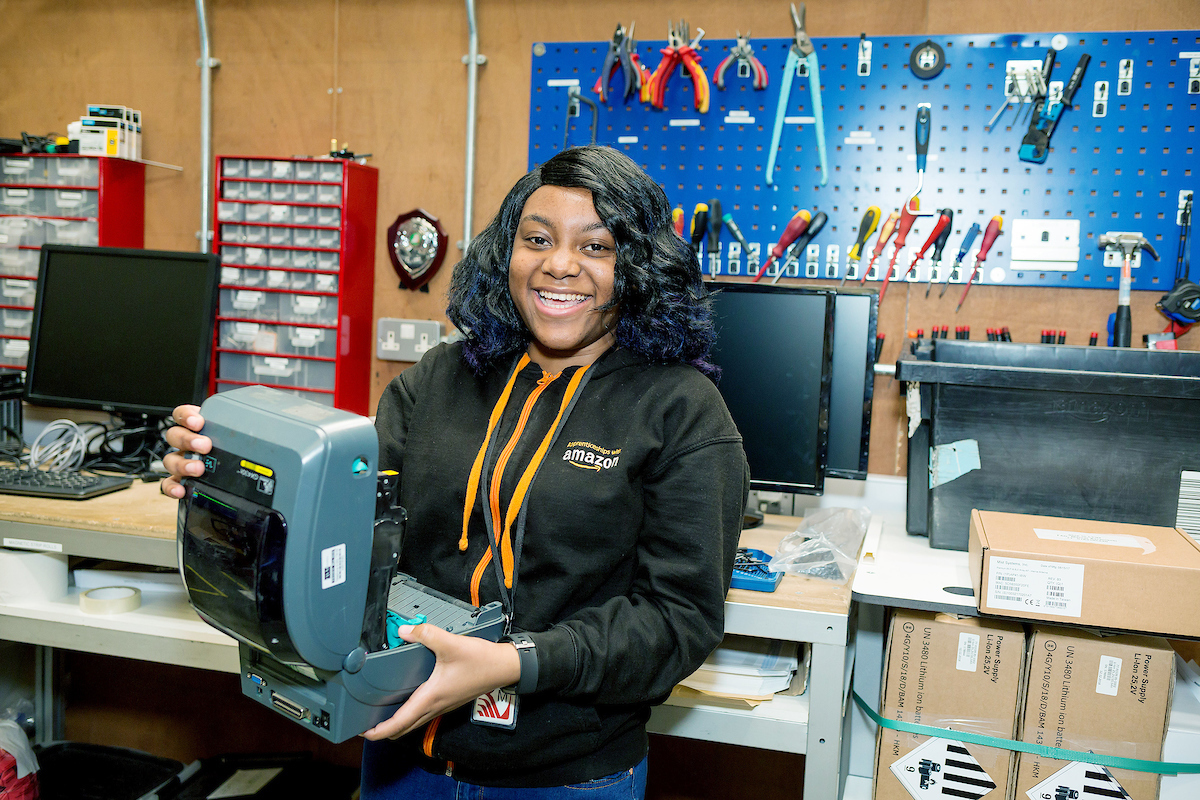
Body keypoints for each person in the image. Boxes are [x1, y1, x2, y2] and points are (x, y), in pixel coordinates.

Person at [162, 145, 749, 799]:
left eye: (597, 247)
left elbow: (676, 622)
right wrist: (223, 485)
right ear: (508, 251)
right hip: (402, 756)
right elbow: (343, 536)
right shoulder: (438, 379)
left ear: (637, 265)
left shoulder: (682, 412)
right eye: (537, 239)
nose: (559, 265)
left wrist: (511, 663)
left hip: (563, 777)